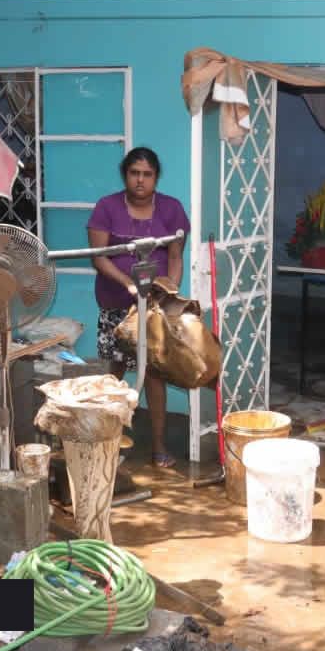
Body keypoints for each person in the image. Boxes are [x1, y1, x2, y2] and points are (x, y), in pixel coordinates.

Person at [87, 147, 190, 468]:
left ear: (156, 177)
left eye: (147, 174)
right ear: (125, 175)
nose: (140, 180)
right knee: (115, 376)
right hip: (116, 304)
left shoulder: (172, 210)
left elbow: (175, 256)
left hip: (154, 308)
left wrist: (168, 290)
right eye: (134, 173)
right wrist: (128, 284)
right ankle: (108, 445)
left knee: (154, 375)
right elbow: (98, 256)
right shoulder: (106, 208)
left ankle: (158, 447)